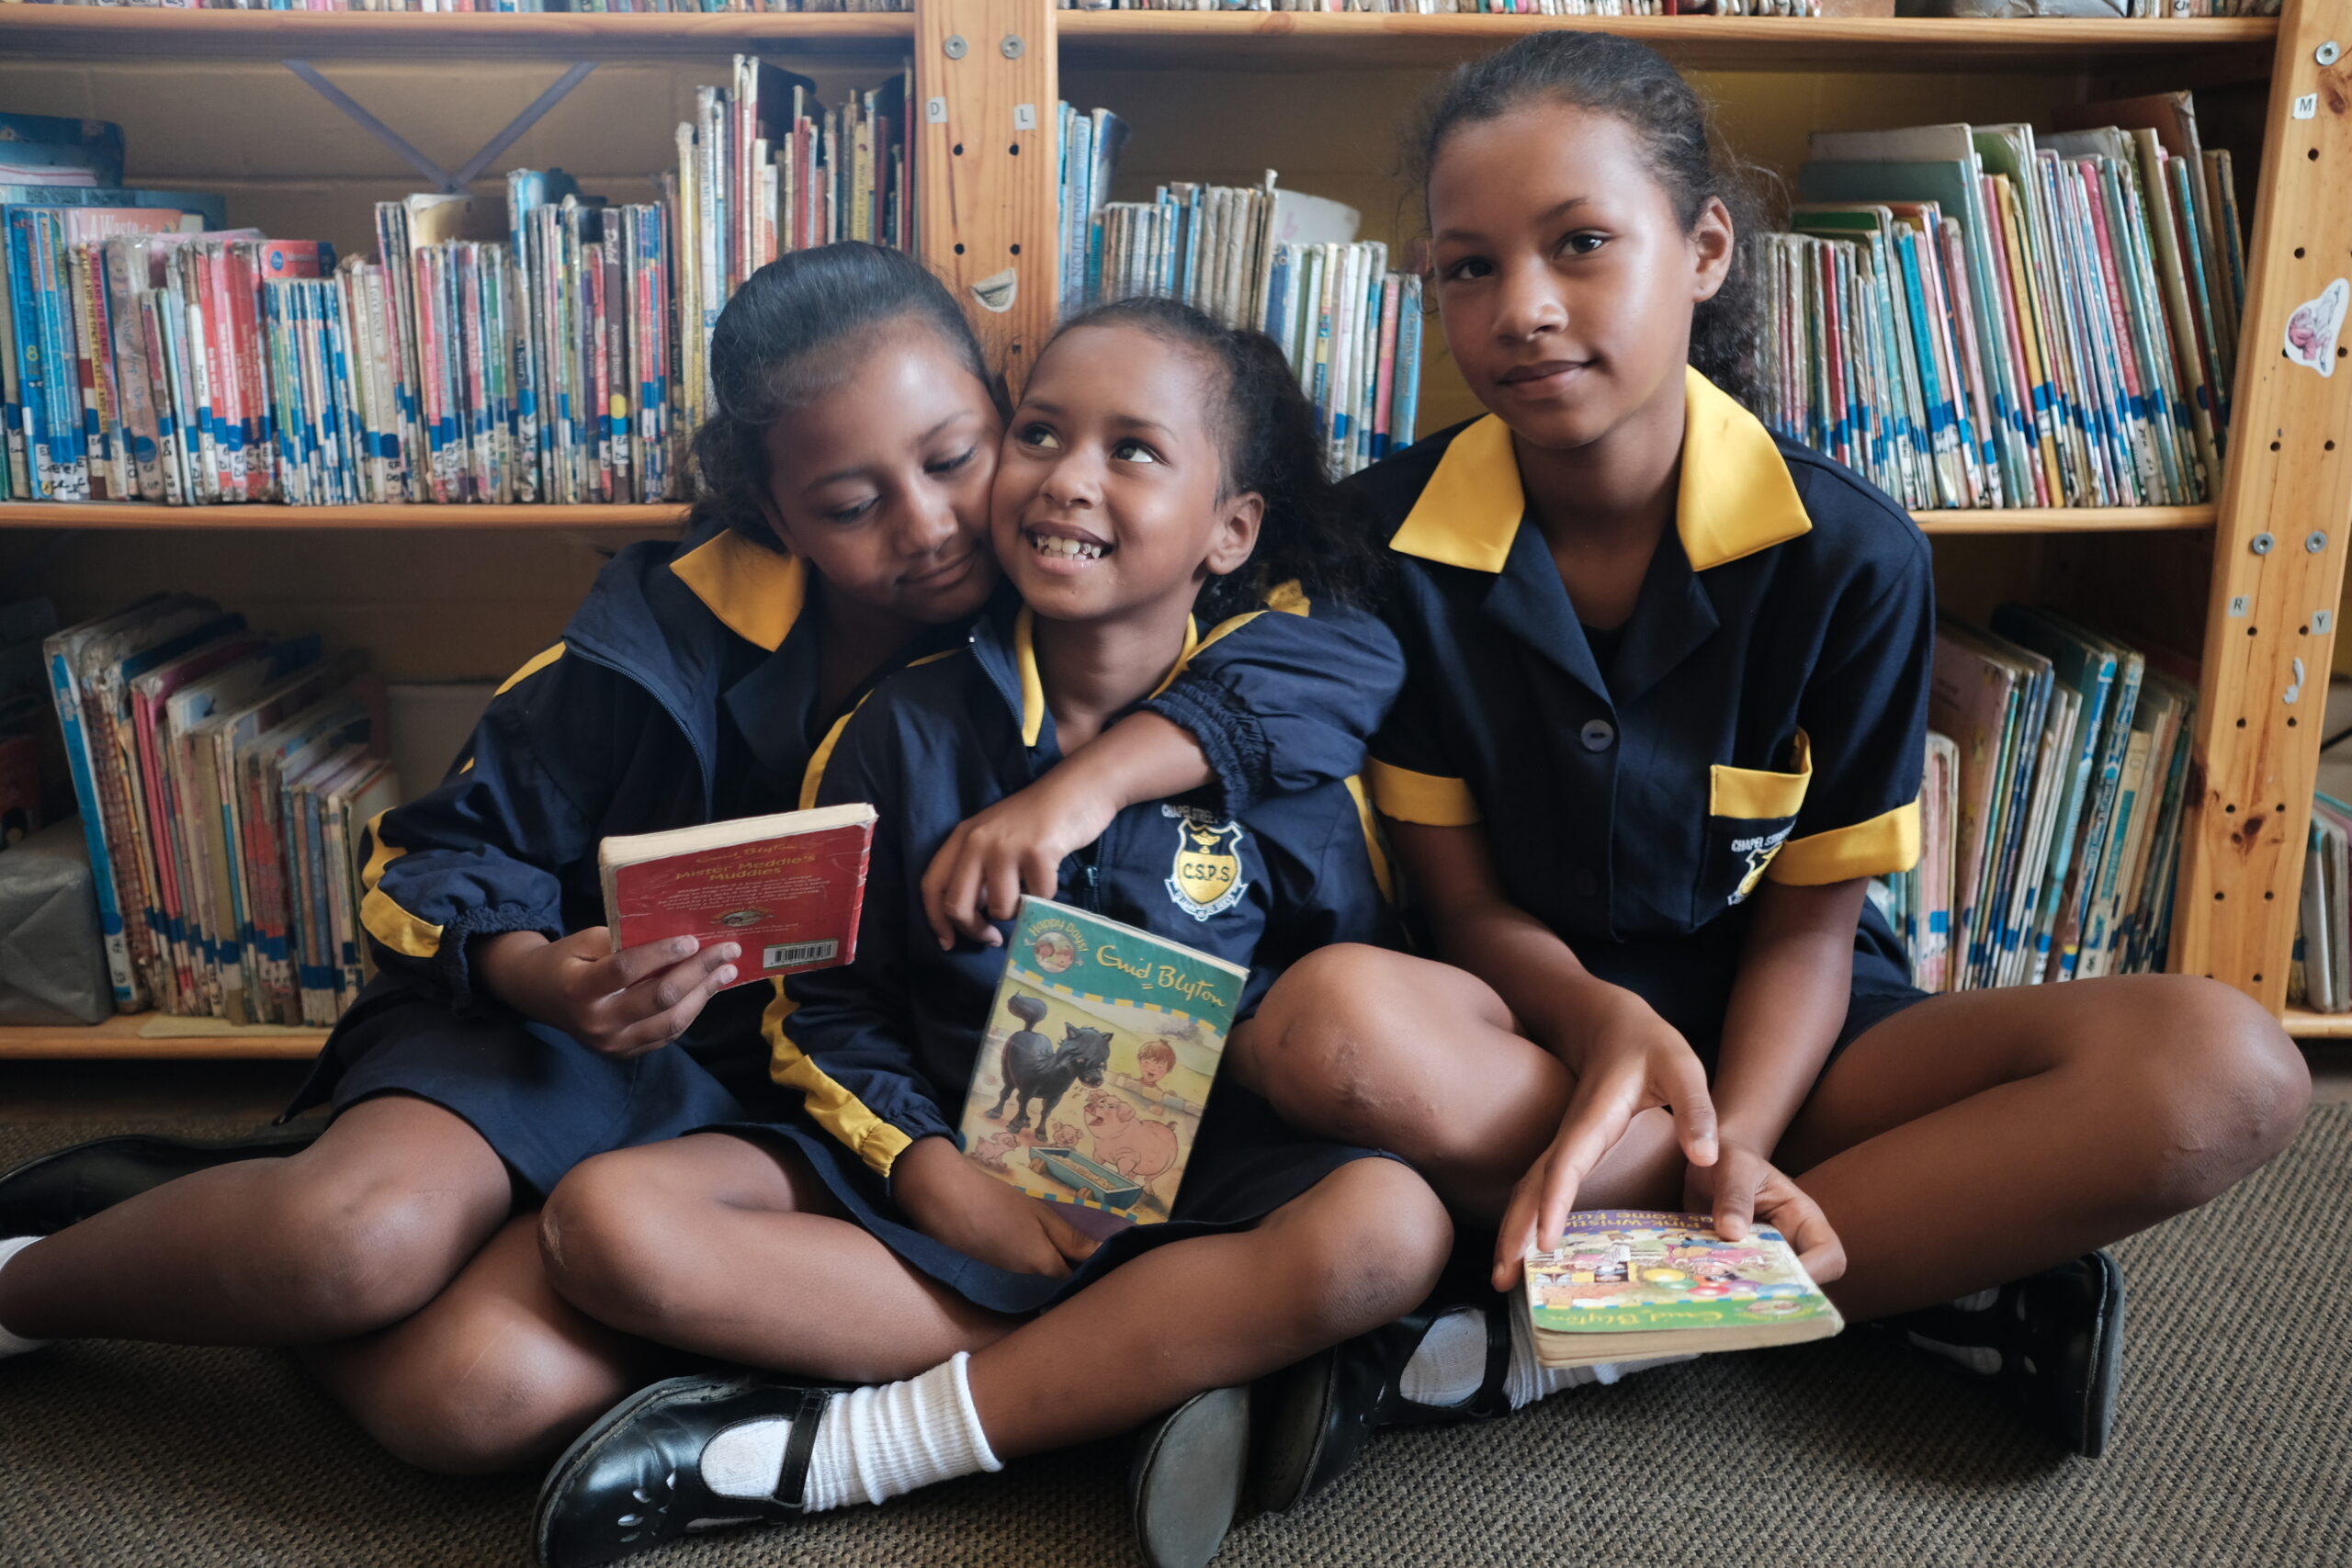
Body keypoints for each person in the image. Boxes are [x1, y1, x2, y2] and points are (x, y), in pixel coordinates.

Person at [0, 246, 1405, 1478]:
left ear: (997, 421)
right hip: (554, 1028)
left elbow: (1325, 652)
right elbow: (422, 862)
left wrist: (1095, 783)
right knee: (357, 1244)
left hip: (765, 1084)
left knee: (477, 1403)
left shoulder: (1071, 607)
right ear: (771, 511)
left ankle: (268, 1269)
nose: (923, 528)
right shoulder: (646, 650)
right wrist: (542, 975)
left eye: (954, 457)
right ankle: (67, 1273)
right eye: (851, 502)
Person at [1212, 30, 2311, 1499]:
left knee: (2229, 1068)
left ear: (1707, 247)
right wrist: (1608, 1031)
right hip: (1526, 1041)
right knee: (1326, 1028)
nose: (1524, 308)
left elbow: (1807, 920)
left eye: (1582, 244)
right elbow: (1463, 912)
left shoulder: (1852, 552)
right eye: (1468, 268)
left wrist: (1738, 1137)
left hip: (1799, 1037)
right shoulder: (1379, 543)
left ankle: (1542, 1340)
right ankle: (1925, 1268)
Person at [522, 299, 1450, 1568]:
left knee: (1392, 1228)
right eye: (1040, 433)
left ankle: (890, 1438)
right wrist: (936, 1177)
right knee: (607, 1226)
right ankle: (1158, 1365)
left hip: (1200, 1192)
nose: (1069, 479)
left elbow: (1338, 981)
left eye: (1132, 451)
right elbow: (827, 1012)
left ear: (1232, 531)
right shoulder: (899, 732)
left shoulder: (1290, 731)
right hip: (952, 1177)